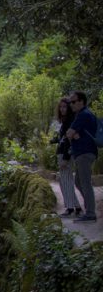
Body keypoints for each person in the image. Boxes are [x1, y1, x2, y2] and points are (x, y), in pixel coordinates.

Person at [65, 91, 98, 223]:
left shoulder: (83, 115)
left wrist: (73, 134)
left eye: (73, 102)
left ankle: (90, 214)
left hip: (84, 153)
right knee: (79, 182)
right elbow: (71, 134)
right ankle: (90, 208)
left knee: (85, 183)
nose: (71, 105)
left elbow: (69, 133)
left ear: (81, 101)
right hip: (84, 153)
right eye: (70, 102)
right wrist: (73, 134)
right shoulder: (84, 114)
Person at [51, 97, 81, 216]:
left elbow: (70, 142)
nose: (62, 109)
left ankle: (70, 208)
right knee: (65, 181)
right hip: (63, 153)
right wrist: (55, 140)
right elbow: (63, 139)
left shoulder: (70, 121)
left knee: (66, 181)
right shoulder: (65, 121)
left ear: (69, 108)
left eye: (65, 107)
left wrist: (65, 158)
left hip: (65, 154)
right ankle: (76, 206)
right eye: (61, 107)